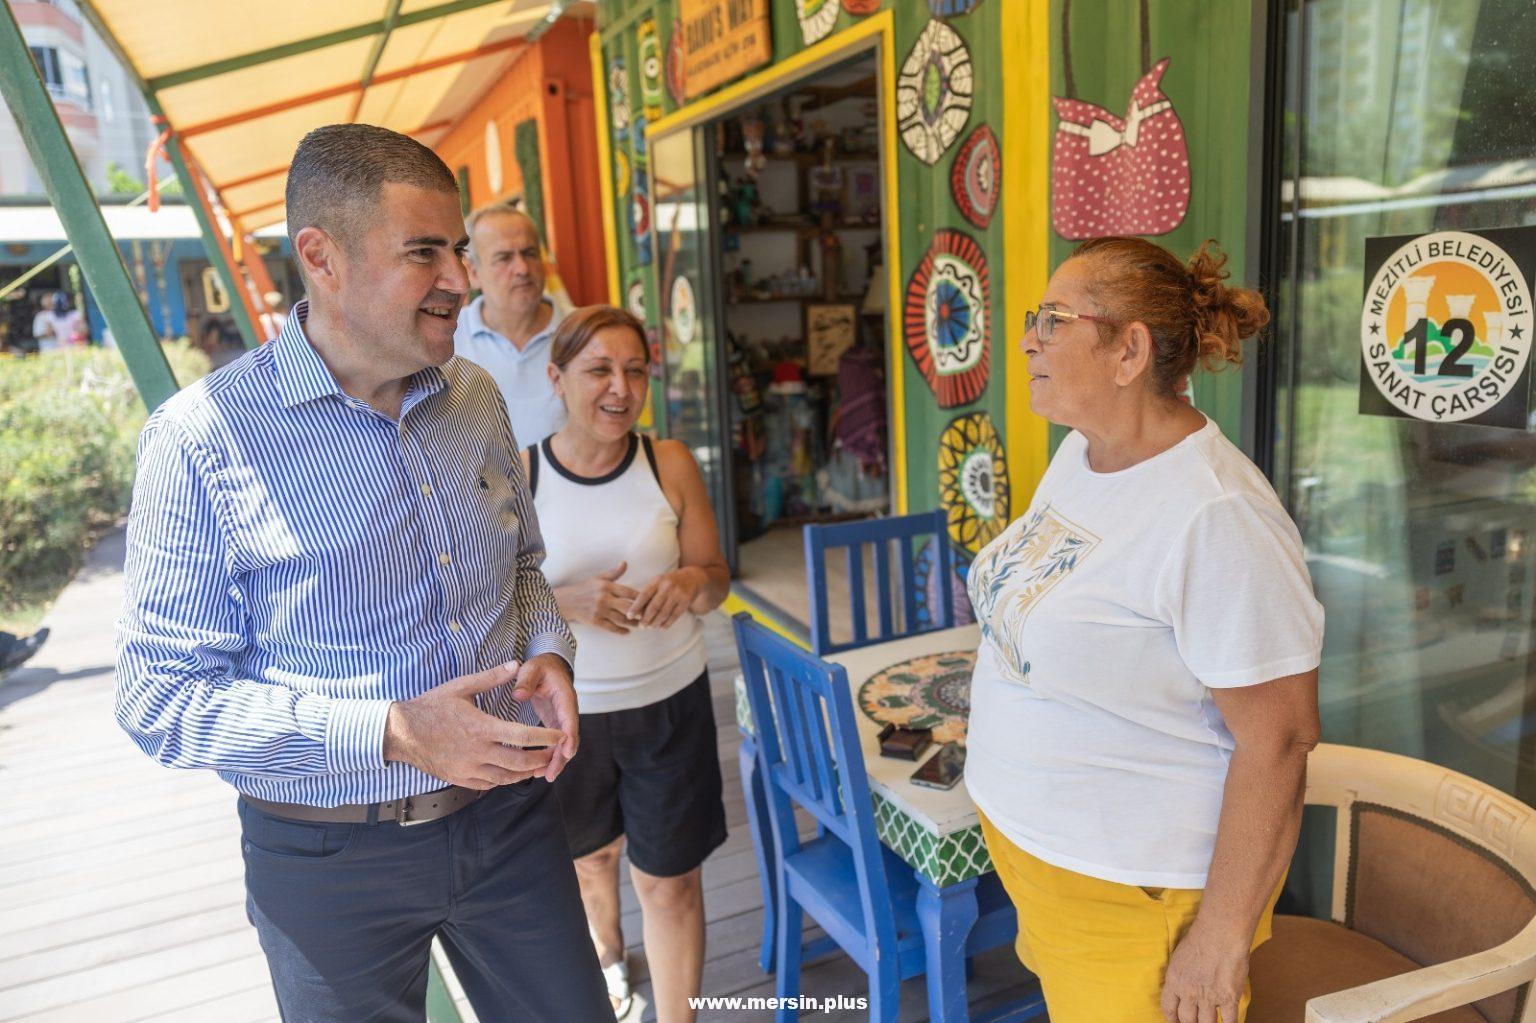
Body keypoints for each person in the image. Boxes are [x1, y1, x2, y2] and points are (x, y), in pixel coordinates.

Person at [114, 123, 612, 1023]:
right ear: (322, 257)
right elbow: (159, 699)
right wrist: (389, 729)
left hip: (510, 819)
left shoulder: (474, 394)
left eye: (458, 249)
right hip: (326, 860)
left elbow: (525, 564)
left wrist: (549, 649)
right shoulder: (199, 438)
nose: (461, 280)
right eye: (425, 252)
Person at [965, 236, 1324, 1023]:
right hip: (1045, 864)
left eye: (1053, 319)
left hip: (1136, 898)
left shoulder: (1218, 514)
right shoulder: (1082, 455)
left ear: (1129, 349)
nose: (1028, 338)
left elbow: (1281, 739)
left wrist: (1220, 937)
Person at [525, 305, 730, 1023]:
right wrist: (565, 598)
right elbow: (493, 607)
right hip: (569, 716)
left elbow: (716, 575)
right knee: (591, 861)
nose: (621, 387)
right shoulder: (522, 476)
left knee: (670, 884)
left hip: (669, 703)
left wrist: (690, 583)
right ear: (556, 378)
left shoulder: (667, 462)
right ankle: (610, 957)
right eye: (599, 370)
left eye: (636, 369)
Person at [454, 204, 567, 446]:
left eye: (530, 253)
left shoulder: (581, 333)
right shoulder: (447, 339)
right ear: (472, 273)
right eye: (504, 258)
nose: (522, 269)